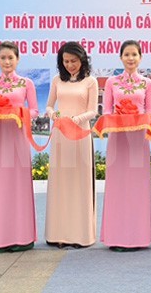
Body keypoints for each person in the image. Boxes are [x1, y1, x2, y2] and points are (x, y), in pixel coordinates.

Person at [0, 41, 38, 252]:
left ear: (18, 59)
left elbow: (34, 111)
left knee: (19, 186)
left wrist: (17, 113)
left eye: (11, 58)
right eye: (3, 58)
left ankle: (22, 238)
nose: (7, 61)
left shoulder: (26, 83)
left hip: (18, 137)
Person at [100, 40, 151, 251]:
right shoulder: (112, 82)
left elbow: (149, 112)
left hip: (139, 140)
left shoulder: (147, 83)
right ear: (121, 58)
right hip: (118, 138)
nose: (131, 58)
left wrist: (135, 121)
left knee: (137, 187)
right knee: (118, 187)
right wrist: (119, 119)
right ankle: (116, 237)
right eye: (127, 55)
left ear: (140, 58)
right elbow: (106, 111)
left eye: (134, 54)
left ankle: (138, 237)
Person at [44, 42, 98, 248]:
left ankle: (80, 235)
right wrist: (52, 114)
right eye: (66, 61)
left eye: (73, 61)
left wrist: (76, 119)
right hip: (60, 135)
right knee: (61, 184)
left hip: (81, 135)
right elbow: (49, 105)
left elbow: (93, 110)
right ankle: (58, 233)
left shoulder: (90, 81)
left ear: (82, 60)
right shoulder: (58, 80)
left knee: (79, 184)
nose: (70, 65)